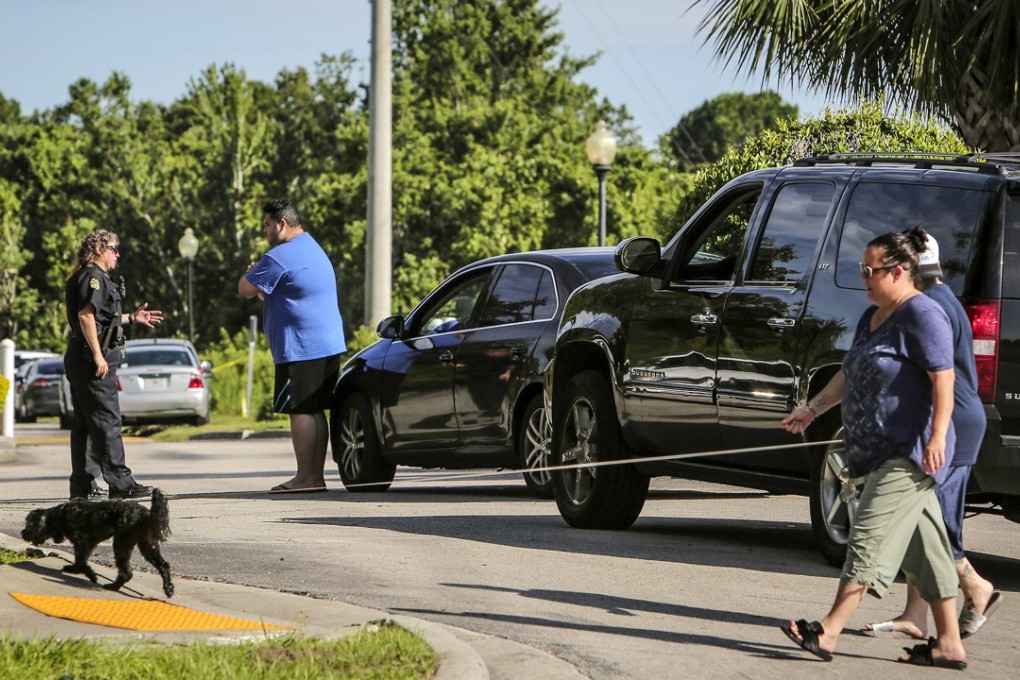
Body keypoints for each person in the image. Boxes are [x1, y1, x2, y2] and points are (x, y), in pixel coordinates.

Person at [778, 227, 967, 669]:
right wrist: (812, 407)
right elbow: (850, 372)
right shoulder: (873, 314)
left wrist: (938, 436)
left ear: (899, 271)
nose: (863, 277)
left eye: (870, 270)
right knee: (928, 550)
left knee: (867, 537)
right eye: (862, 268)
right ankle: (949, 644)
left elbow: (944, 379)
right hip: (873, 451)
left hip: (909, 454)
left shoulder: (922, 315)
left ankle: (828, 631)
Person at [862, 231, 1001, 641]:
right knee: (922, 521)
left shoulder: (930, 307)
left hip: (952, 427)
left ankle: (977, 589)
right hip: (951, 423)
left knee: (934, 525)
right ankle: (914, 616)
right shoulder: (941, 298)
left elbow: (930, 378)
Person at [238, 199, 345, 494]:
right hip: (328, 344)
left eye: (267, 224)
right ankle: (315, 477)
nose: (265, 230)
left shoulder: (280, 256)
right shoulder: (312, 247)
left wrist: (256, 272)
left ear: (282, 224)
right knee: (314, 410)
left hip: (300, 346)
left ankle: (304, 477)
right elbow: (285, 293)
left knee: (299, 410)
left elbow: (245, 289)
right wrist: (261, 280)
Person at [64, 229, 163, 500]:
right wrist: (97, 355)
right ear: (99, 248)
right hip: (90, 360)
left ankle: (82, 486)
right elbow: (87, 317)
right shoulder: (93, 278)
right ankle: (120, 482)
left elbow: (103, 320)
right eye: (114, 249)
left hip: (82, 357)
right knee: (107, 421)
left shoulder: (88, 277)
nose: (118, 254)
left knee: (85, 423)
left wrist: (133, 317)